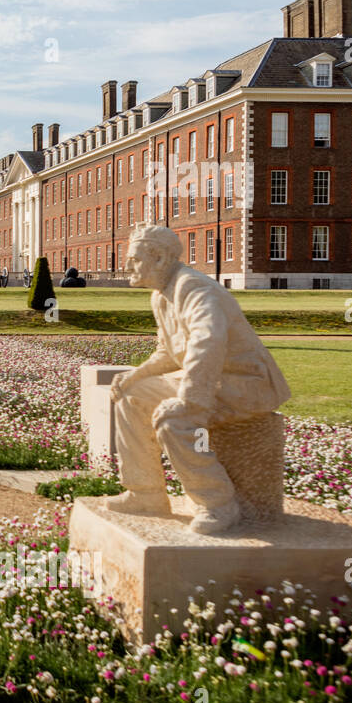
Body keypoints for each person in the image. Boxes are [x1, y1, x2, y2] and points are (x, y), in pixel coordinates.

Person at [107, 226, 291, 534]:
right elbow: (169, 352)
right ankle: (146, 492)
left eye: (134, 259)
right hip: (212, 378)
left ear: (161, 258)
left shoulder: (194, 289)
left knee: (173, 419)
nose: (127, 267)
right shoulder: (162, 295)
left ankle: (218, 504)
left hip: (245, 384)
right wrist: (133, 376)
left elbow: (207, 343)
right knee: (131, 395)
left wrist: (190, 401)